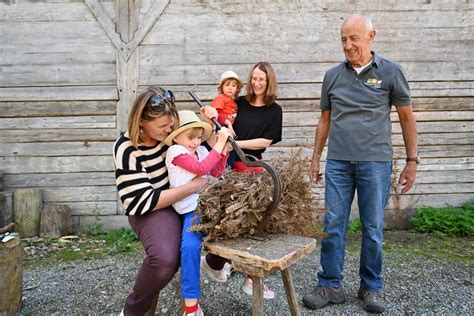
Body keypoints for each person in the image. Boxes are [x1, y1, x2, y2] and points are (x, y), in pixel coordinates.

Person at [302, 14, 418, 313]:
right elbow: (324, 120)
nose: (348, 45)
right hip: (338, 162)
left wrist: (412, 161)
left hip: (375, 162)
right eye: (343, 39)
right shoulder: (333, 76)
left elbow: (407, 118)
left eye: (354, 38)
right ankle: (330, 284)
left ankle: (371, 287)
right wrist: (316, 157)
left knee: (372, 228)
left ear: (371, 36)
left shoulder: (390, 72)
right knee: (332, 225)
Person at [113, 86, 219, 316]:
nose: (168, 130)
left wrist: (210, 121)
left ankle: (213, 266)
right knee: (164, 258)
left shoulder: (169, 138)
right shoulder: (126, 148)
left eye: (170, 125)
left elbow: (201, 144)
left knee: (214, 233)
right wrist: (192, 186)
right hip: (149, 209)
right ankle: (132, 310)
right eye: (162, 126)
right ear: (141, 122)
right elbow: (139, 201)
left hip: (182, 203)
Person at [201, 61, 283, 299]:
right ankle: (218, 263)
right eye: (254, 79)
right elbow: (217, 125)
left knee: (256, 222)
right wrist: (208, 117)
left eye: (262, 80)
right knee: (231, 219)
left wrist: (235, 143)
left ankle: (246, 276)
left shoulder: (274, 110)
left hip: (253, 168)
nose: (257, 83)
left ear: (269, 82)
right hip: (228, 166)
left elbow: (265, 142)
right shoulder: (237, 103)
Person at [164, 110, 230, 315]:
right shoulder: (175, 152)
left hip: (210, 206)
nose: (196, 142)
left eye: (199, 137)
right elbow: (201, 169)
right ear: (176, 137)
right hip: (192, 211)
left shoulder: (200, 151)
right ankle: (191, 307)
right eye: (190, 137)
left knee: (242, 228)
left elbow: (216, 172)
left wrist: (224, 151)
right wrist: (218, 144)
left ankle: (251, 277)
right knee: (190, 248)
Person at [211, 70, 243, 168]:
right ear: (222, 87)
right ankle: (224, 168)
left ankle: (229, 168)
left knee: (230, 149)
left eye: (234, 86)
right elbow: (216, 114)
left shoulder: (232, 102)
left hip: (227, 128)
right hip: (220, 127)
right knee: (223, 149)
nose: (230, 88)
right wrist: (228, 123)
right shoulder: (220, 98)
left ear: (237, 89)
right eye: (227, 84)